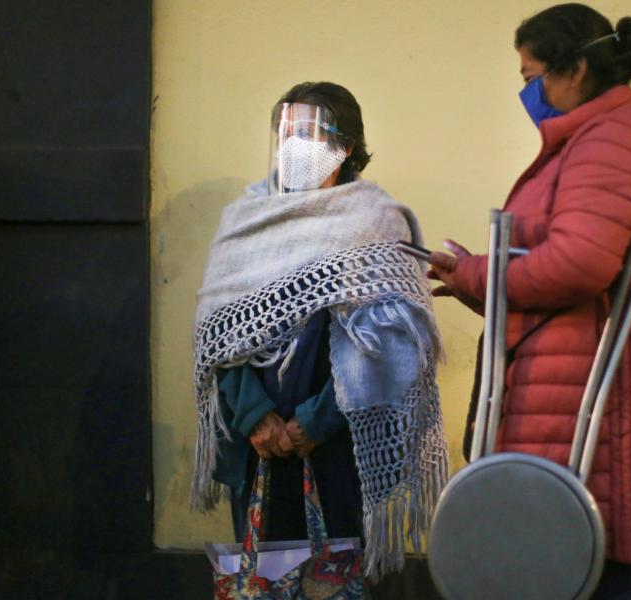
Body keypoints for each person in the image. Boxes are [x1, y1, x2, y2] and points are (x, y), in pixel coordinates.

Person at [428, 5, 631, 598]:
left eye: (530, 75)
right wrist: (473, 278)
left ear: (577, 68)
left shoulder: (616, 138)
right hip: (563, 394)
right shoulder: (585, 140)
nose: (527, 91)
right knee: (558, 565)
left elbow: (580, 265)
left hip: (601, 404)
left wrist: (478, 274)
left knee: (591, 570)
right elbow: (560, 275)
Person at [191, 81, 448, 578]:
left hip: (338, 445)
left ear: (345, 145)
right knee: (266, 577)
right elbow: (217, 333)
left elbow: (394, 342)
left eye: (309, 133)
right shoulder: (245, 220)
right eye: (285, 131)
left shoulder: (374, 221)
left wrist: (316, 420)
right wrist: (253, 414)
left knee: (334, 577)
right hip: (257, 444)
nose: (294, 145)